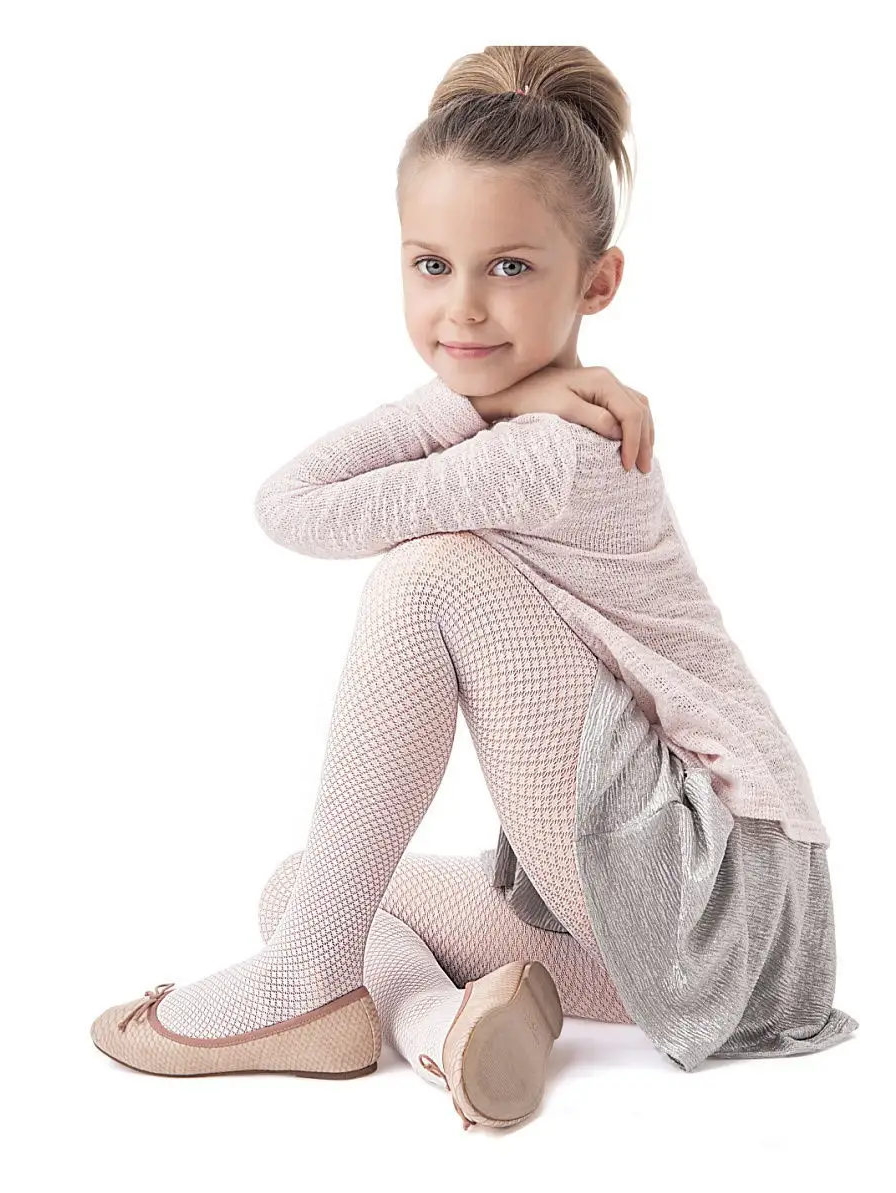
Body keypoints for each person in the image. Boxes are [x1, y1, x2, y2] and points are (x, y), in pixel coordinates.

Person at [89, 43, 858, 1129]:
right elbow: (294, 504)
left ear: (598, 283)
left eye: (509, 268)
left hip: (706, 884)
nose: (462, 308)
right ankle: (442, 1032)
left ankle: (303, 984)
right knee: (310, 885)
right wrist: (505, 395)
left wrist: (478, 404)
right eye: (430, 264)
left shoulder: (553, 450)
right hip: (712, 939)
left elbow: (293, 505)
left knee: (430, 572)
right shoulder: (538, 424)